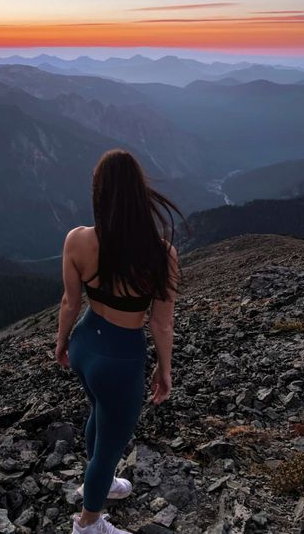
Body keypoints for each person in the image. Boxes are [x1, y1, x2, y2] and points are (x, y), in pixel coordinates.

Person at [55, 148, 188, 534]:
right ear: (139, 194)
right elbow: (161, 325)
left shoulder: (77, 240)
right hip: (121, 357)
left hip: (85, 343)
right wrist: (165, 368)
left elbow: (69, 301)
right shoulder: (162, 254)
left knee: (100, 411)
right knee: (112, 439)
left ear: (100, 193)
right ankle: (88, 524)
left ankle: (101, 481)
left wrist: (62, 344)